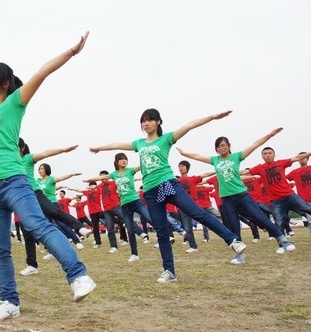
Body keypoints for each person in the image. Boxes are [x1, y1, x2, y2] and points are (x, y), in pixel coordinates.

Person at [0, 32, 96, 321]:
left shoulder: (15, 103)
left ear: (5, 82)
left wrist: (71, 51)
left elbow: (42, 72)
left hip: (13, 181)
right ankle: (10, 302)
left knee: (39, 226)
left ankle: (78, 276)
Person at [90, 109, 246, 283]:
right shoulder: (139, 144)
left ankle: (233, 240)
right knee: (162, 232)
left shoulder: (166, 139)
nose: (146, 124)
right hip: (150, 192)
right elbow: (116, 145)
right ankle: (169, 271)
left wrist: (212, 117)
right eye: (143, 121)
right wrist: (99, 148)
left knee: (196, 213)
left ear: (158, 122)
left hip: (167, 184)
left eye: (150, 120)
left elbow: (189, 125)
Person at [178, 128, 294, 261]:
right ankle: (240, 256)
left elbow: (254, 145)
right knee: (234, 227)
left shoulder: (237, 156)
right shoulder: (215, 160)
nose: (221, 148)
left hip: (242, 195)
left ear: (228, 146)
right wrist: (184, 153)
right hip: (227, 200)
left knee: (259, 218)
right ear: (216, 149)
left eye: (223, 145)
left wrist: (269, 135)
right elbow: (197, 156)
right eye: (218, 146)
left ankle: (284, 241)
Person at [243, 146, 311, 248]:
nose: (268, 155)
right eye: (265, 154)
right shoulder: (260, 168)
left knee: (308, 208)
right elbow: (245, 172)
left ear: (274, 155)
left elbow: (296, 158)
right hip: (276, 201)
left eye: (270, 153)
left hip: (289, 195)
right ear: (262, 156)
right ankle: (282, 245)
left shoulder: (281, 163)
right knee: (279, 222)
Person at [286, 152, 311, 233]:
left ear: (307, 158)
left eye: (304, 158)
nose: (302, 160)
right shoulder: (295, 172)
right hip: (304, 201)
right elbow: (284, 178)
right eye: (300, 158)